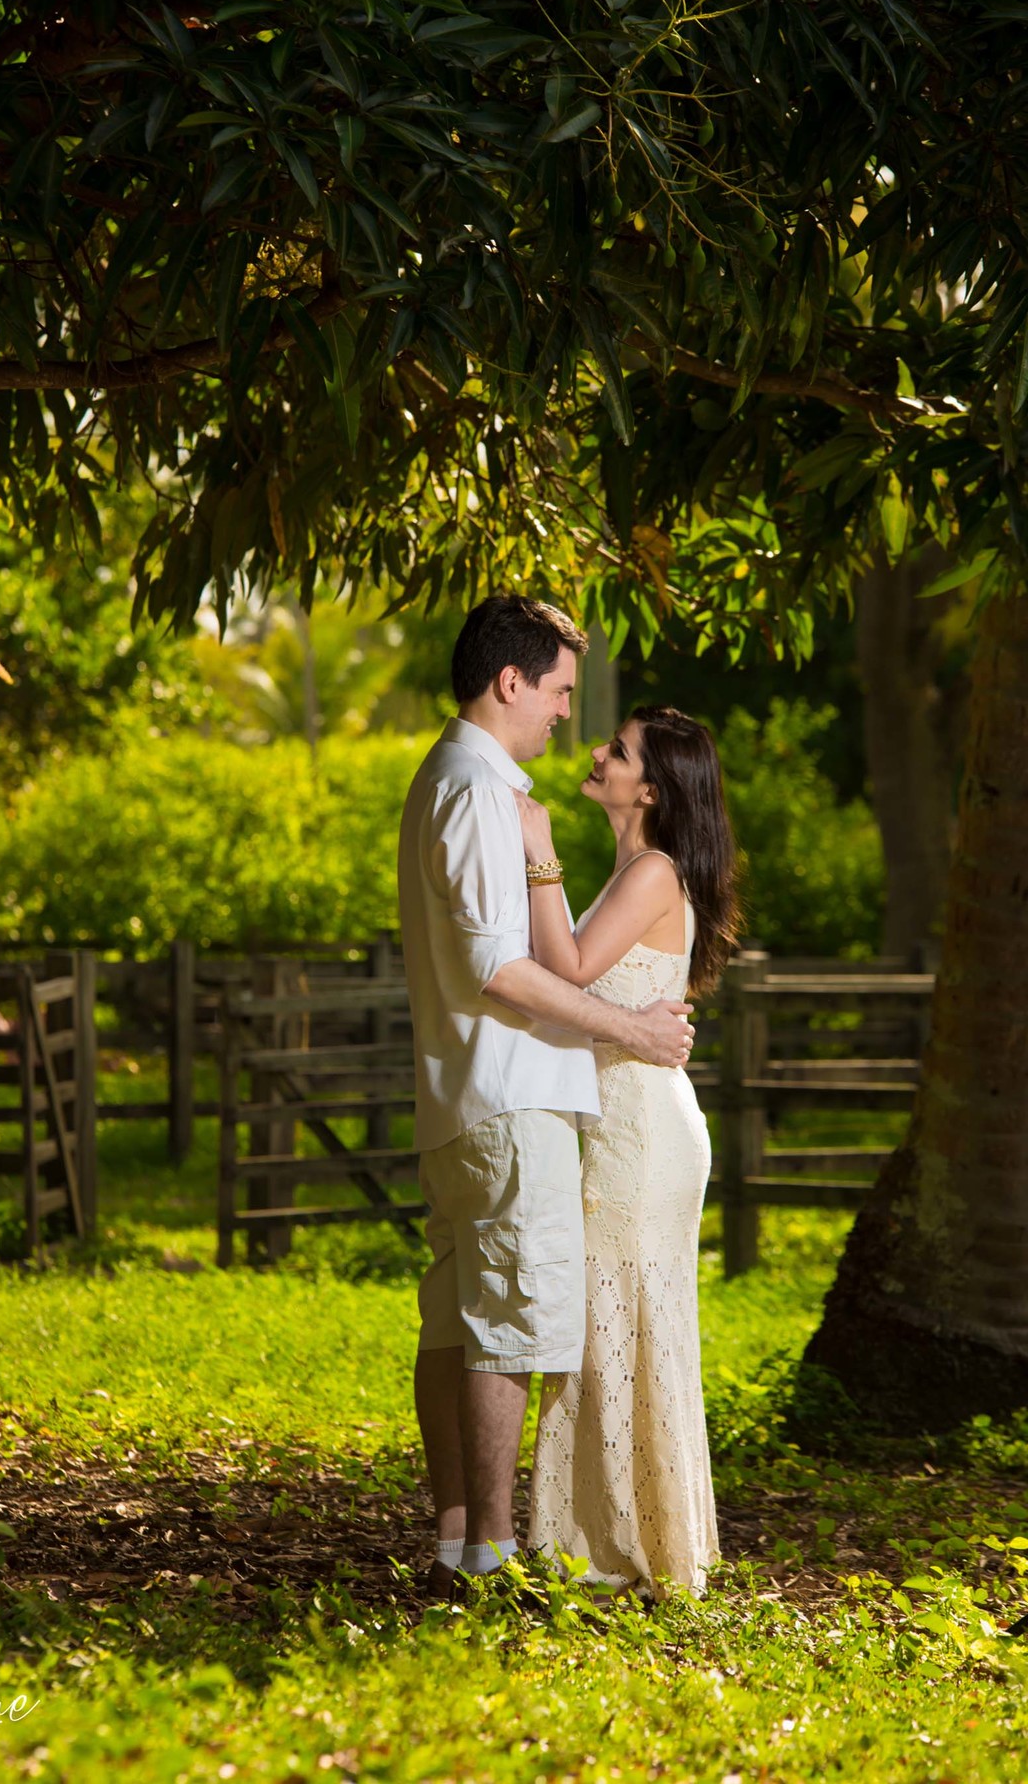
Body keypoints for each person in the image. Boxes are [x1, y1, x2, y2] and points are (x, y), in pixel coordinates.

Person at [396, 598, 695, 1599]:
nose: (568, 713)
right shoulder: (478, 789)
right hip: (508, 1092)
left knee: (455, 1323)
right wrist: (635, 1030)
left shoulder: (452, 778)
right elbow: (500, 968)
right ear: (510, 681)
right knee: (507, 1329)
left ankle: (453, 1541)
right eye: (562, 690)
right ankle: (487, 1549)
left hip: (460, 1094)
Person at [519, 704, 742, 1600]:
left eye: (617, 750)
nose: (598, 753)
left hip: (641, 1136)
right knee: (608, 1322)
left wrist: (537, 853)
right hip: (625, 1122)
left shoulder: (652, 869)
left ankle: (618, 1548)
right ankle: (607, 1537)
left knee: (619, 1322)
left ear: (648, 789)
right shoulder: (639, 868)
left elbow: (568, 967)